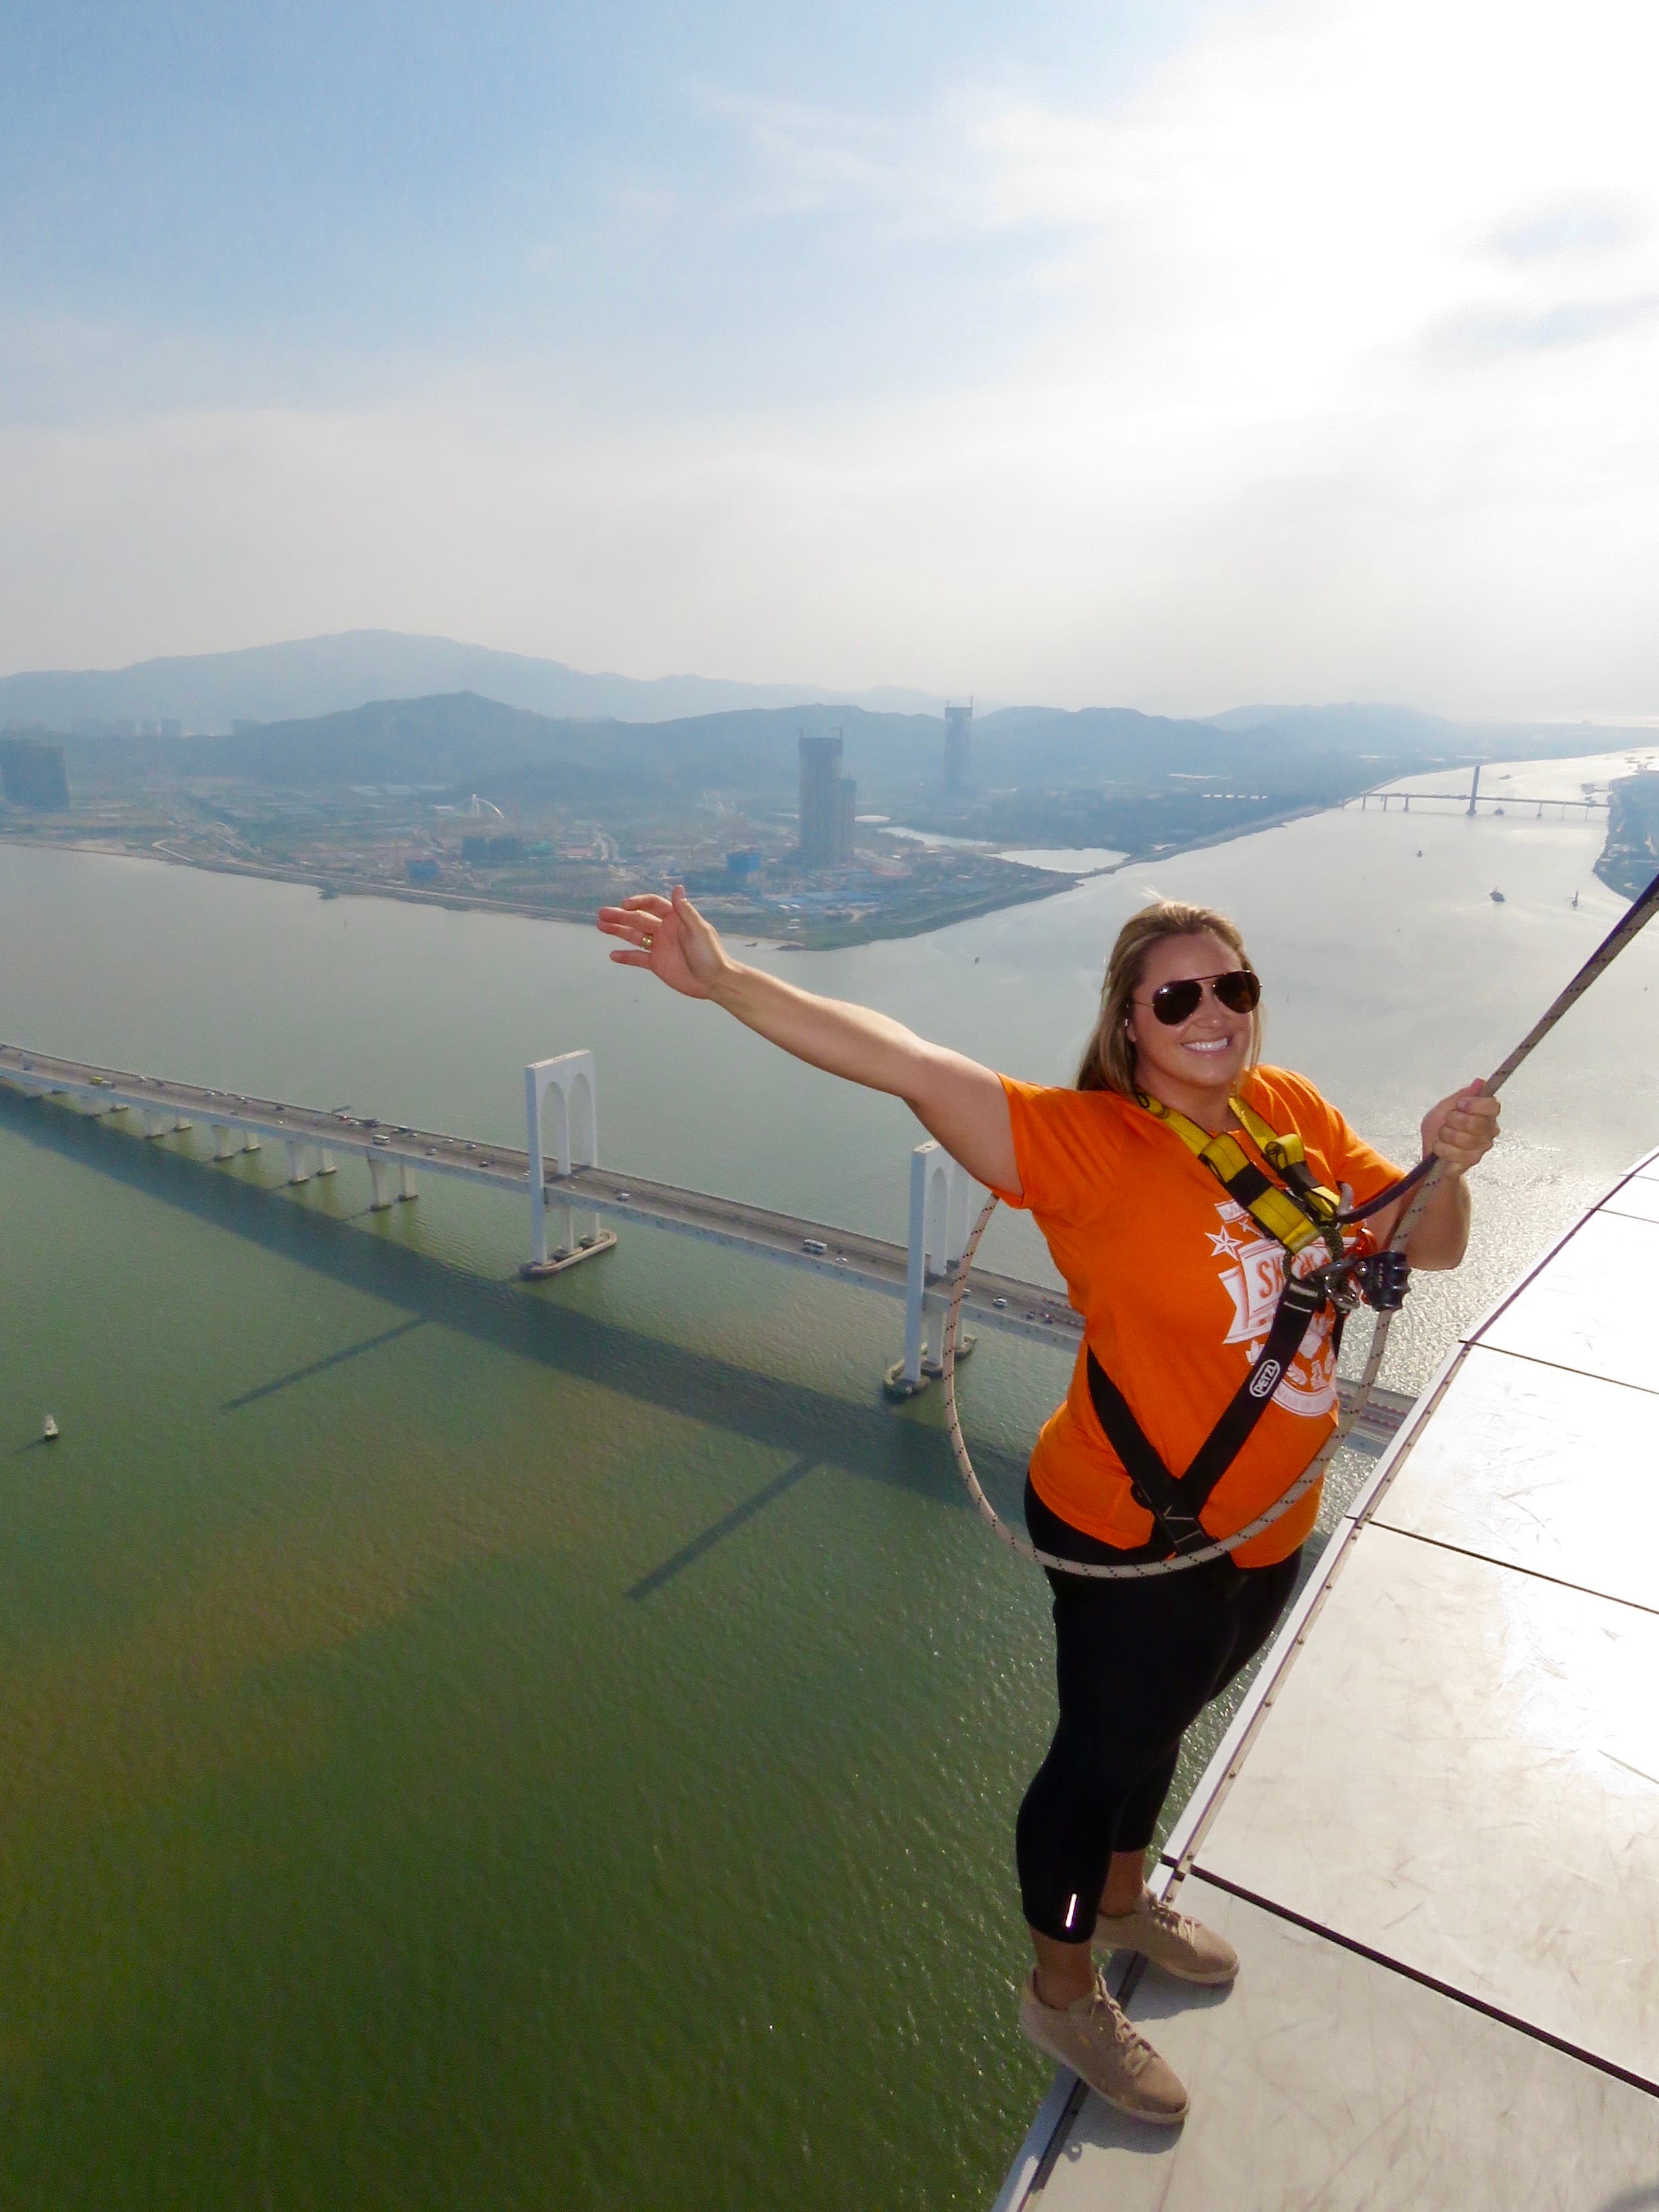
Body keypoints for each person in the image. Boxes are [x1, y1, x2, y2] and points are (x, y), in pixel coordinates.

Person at [595, 885, 1500, 2125]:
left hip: (1271, 1524)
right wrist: (728, 981)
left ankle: (1124, 1901)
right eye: (1177, 997)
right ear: (1130, 1023)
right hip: (1134, 1527)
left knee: (1162, 1726)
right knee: (1097, 1759)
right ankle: (1063, 1992)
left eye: (1232, 987)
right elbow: (907, 1062)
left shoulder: (1288, 1114)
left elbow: (1427, 1245)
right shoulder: (1087, 1145)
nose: (1213, 1013)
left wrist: (1449, 1164)